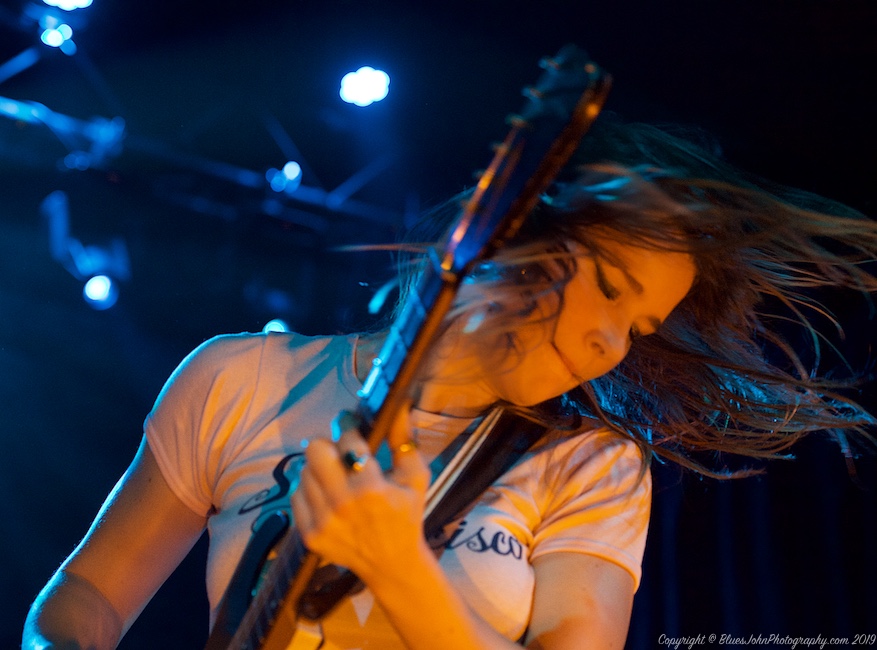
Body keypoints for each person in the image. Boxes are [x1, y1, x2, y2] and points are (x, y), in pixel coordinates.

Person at [22, 121, 877, 649]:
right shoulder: (237, 378)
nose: (606, 345)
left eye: (636, 330)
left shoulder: (590, 464)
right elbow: (87, 594)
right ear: (512, 231)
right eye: (609, 291)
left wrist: (398, 565)